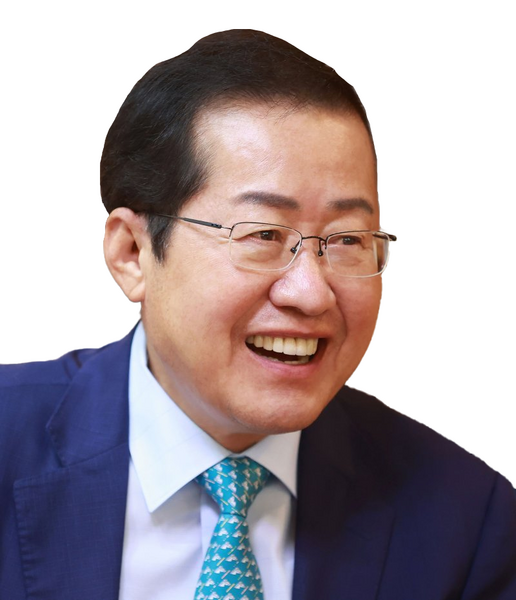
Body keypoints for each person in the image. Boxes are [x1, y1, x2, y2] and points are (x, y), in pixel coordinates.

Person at [1, 29, 515, 600]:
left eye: (347, 240)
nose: (311, 294)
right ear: (132, 254)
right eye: (264, 234)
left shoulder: (468, 522)